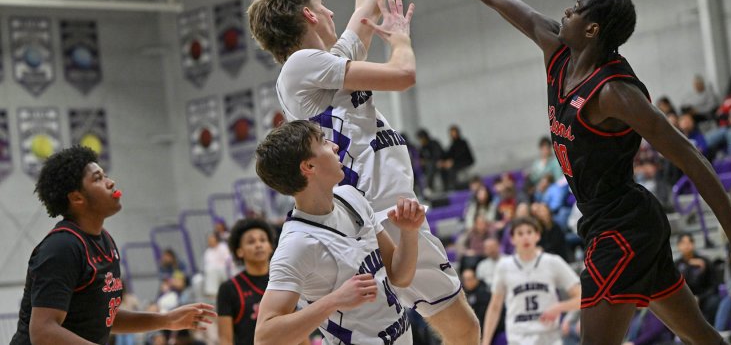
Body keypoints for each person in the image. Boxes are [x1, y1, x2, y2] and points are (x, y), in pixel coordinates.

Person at [397, 0, 731, 345]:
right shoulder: (556, 49)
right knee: (702, 338)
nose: (567, 10)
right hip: (615, 221)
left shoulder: (615, 93)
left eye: (576, 7)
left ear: (593, 29)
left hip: (622, 229)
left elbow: (689, 155)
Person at [247, 0, 479, 344]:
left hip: (383, 212)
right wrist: (401, 39)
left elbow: (367, 8)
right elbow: (403, 74)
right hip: (376, 213)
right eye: (322, 5)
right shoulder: (300, 66)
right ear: (309, 14)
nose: (333, 12)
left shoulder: (323, 66)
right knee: (461, 329)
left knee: (452, 329)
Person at [10, 145, 216, 345]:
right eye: (98, 178)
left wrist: (166, 320)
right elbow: (43, 332)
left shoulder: (104, 241)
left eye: (105, 175)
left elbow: (103, 318)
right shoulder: (62, 247)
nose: (110, 182)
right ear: (77, 198)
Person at [252, 120, 425, 344]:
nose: (335, 146)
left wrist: (409, 233)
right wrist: (334, 301)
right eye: (323, 142)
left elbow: (399, 276)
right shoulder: (296, 244)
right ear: (309, 166)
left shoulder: (351, 197)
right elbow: (264, 337)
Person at [481, 217, 581, 345]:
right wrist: (485, 341)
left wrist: (559, 307)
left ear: (537, 236)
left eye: (529, 232)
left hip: (549, 338)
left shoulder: (553, 262)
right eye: (520, 233)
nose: (525, 237)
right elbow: (495, 307)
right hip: (518, 338)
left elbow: (581, 297)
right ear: (512, 239)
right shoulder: (504, 266)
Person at [216, 218, 275, 345]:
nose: (258, 245)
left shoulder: (285, 279)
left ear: (270, 247)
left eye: (263, 240)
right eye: (251, 241)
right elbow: (225, 340)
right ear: (239, 251)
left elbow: (299, 330)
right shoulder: (229, 288)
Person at [674, 233, 720, 324]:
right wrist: (688, 266)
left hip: (704, 297)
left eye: (689, 242)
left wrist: (699, 298)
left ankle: (713, 329)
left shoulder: (705, 261)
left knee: (714, 302)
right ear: (678, 246)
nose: (687, 245)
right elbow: (678, 286)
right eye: (683, 243)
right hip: (685, 299)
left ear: (694, 244)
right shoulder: (676, 265)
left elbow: (714, 286)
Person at [438, 125, 476, 191]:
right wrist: (442, 161)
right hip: (456, 162)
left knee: (452, 168)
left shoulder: (463, 142)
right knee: (442, 168)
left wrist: (452, 162)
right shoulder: (453, 144)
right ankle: (446, 187)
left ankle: (456, 187)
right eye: (452, 134)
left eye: (454, 133)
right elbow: (448, 154)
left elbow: (462, 155)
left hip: (465, 161)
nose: (453, 135)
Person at [416, 128, 446, 194]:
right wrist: (421, 161)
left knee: (430, 166)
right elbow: (420, 157)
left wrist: (427, 161)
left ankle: (429, 187)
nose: (420, 141)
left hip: (438, 163)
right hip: (428, 165)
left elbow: (438, 155)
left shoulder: (434, 143)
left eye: (421, 138)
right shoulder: (422, 147)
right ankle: (420, 189)